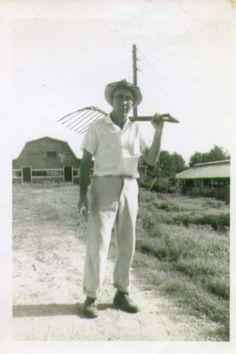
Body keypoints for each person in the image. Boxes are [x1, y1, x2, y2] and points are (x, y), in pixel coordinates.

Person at [78, 79, 165, 318]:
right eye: (120, 98)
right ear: (111, 101)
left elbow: (151, 159)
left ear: (133, 103)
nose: (124, 102)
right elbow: (85, 162)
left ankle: (122, 293)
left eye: (129, 98)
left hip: (130, 185)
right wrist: (82, 196)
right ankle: (91, 297)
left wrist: (159, 132)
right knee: (99, 242)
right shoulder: (97, 127)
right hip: (103, 185)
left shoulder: (138, 129)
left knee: (127, 242)